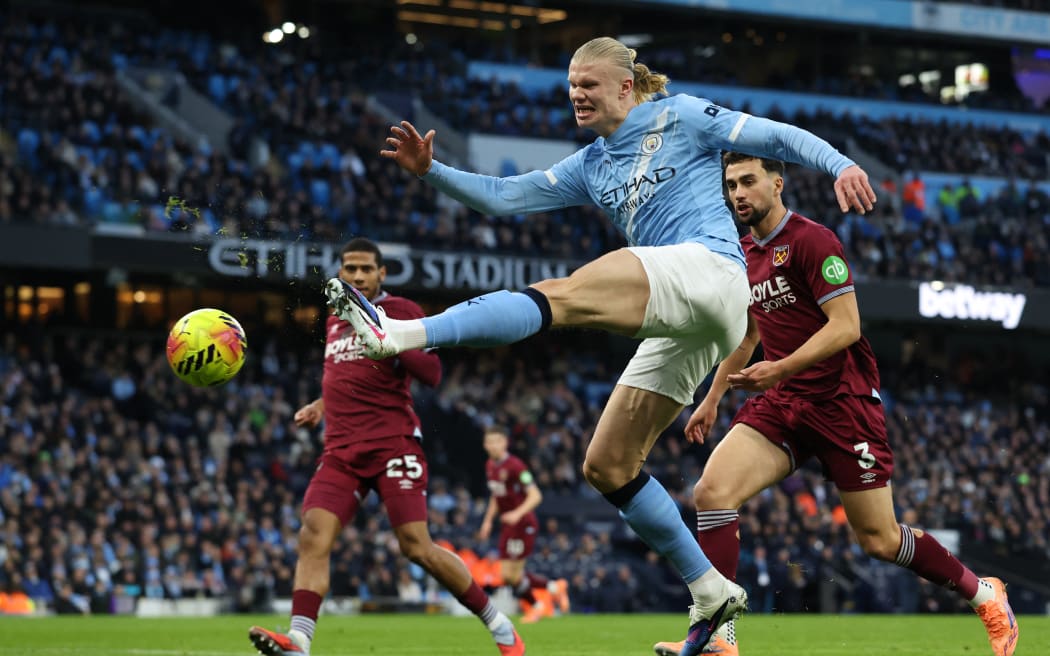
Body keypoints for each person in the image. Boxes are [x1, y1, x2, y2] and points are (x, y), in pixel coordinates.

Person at [326, 36, 876, 655]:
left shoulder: (682, 115)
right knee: (607, 466)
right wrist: (433, 171)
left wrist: (840, 164)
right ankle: (709, 590)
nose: (576, 95)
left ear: (624, 85)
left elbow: (778, 139)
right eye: (570, 87)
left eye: (588, 84)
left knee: (560, 295)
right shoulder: (591, 163)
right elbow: (507, 199)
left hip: (713, 272)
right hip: (692, 320)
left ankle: (400, 331)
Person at [652, 153, 1019, 656]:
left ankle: (985, 594)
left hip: (842, 403)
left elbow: (846, 326)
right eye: (731, 184)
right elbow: (747, 333)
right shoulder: (743, 254)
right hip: (784, 402)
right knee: (712, 492)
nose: (738, 193)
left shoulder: (812, 240)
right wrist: (712, 396)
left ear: (777, 184)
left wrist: (778, 368)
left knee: (879, 540)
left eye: (749, 181)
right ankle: (720, 638)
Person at [249, 238, 525, 656]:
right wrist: (322, 404)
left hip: (392, 445)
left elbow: (432, 372)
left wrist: (390, 335)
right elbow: (350, 371)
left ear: (382, 274)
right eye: (349, 268)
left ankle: (500, 625)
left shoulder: (400, 312)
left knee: (416, 546)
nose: (356, 276)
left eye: (365, 269)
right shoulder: (334, 317)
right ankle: (300, 641)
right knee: (313, 537)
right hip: (340, 451)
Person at [477, 426, 569, 622]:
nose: (492, 445)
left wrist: (516, 514)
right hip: (508, 526)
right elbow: (496, 494)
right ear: (485, 445)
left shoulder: (516, 466)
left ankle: (537, 605)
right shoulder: (490, 466)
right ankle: (553, 588)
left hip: (523, 524)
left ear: (504, 443)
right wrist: (487, 521)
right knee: (508, 575)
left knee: (511, 574)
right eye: (489, 442)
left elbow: (536, 495)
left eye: (496, 441)